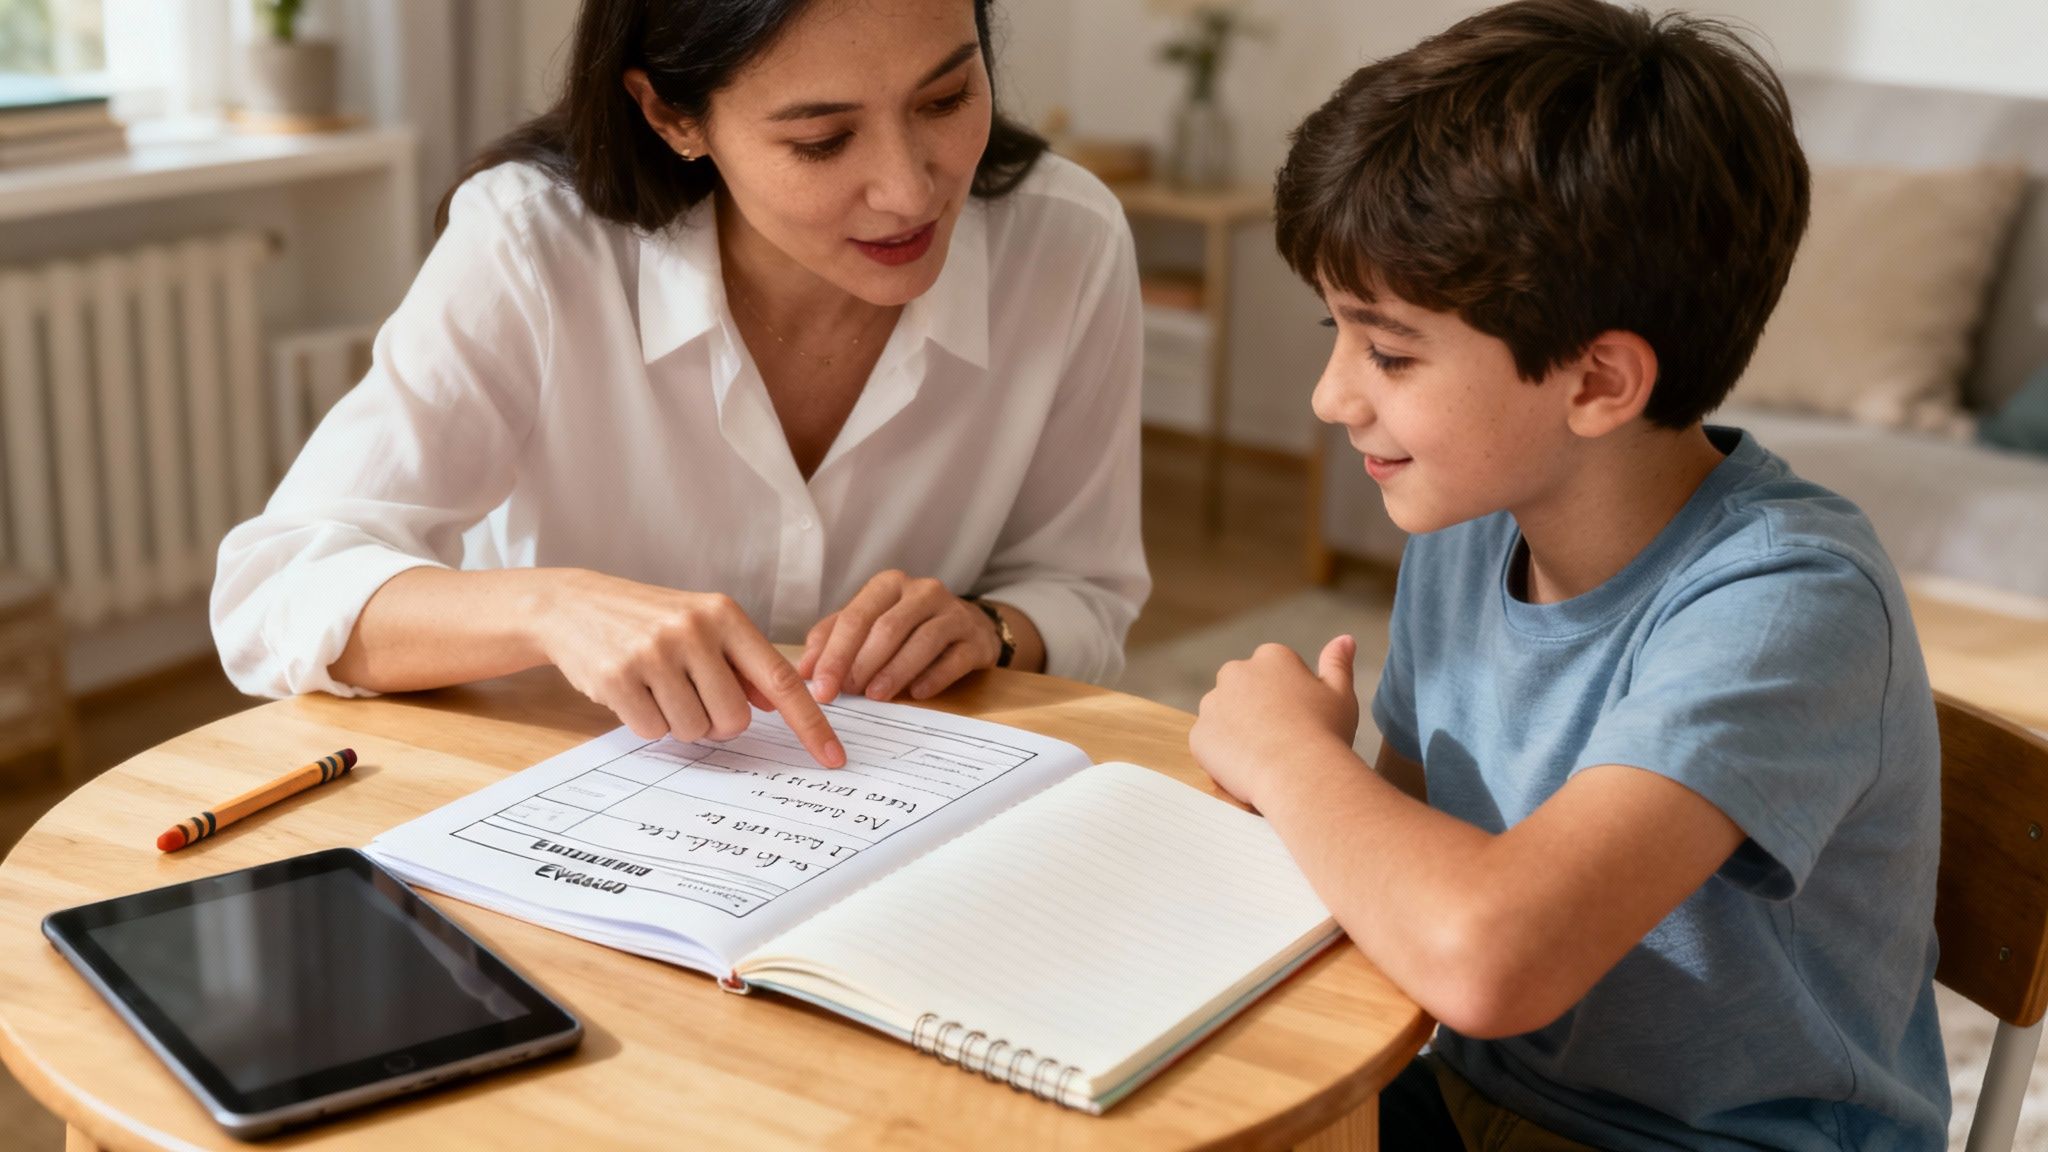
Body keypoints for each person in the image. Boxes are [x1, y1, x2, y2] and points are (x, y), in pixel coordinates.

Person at [1188, 1, 1948, 1148]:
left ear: (1596, 383)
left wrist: (1290, 757)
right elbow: (1395, 871)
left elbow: (1492, 961)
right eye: (1334, 334)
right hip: (1473, 1100)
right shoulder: (1467, 524)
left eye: (1387, 351)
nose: (1332, 396)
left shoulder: (1787, 604)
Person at [212, 0, 1149, 767]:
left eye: (946, 100)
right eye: (823, 140)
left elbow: (1084, 588)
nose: (910, 191)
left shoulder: (1066, 243)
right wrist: (553, 608)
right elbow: (276, 591)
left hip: (894, 812)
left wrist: (991, 628)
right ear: (671, 115)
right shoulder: (533, 245)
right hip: (560, 811)